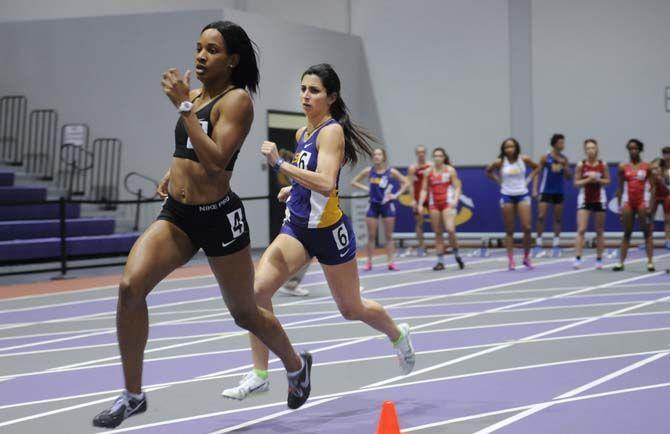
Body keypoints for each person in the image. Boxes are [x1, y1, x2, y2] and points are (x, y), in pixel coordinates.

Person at [92, 22, 311, 428]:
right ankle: (133, 394)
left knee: (245, 313)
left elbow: (214, 160)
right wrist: (169, 173)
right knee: (129, 289)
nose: (200, 56)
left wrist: (183, 107)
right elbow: (188, 148)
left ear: (232, 60)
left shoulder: (237, 102)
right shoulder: (194, 98)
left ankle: (296, 366)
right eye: (199, 48)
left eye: (211, 49)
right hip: (178, 215)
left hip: (217, 219)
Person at [222, 63, 415, 400]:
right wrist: (292, 189)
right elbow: (309, 178)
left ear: (331, 97)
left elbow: (326, 184)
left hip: (329, 231)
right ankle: (260, 373)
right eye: (303, 89)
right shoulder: (303, 134)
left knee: (350, 308)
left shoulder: (331, 132)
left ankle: (398, 334)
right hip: (297, 228)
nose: (306, 96)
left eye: (314, 90)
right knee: (255, 293)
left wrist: (281, 165)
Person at [351, 148, 410, 271]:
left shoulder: (391, 172)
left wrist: (396, 195)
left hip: (387, 206)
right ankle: (369, 262)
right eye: (374, 155)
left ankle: (391, 262)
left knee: (388, 236)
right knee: (371, 236)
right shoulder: (369, 171)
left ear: (384, 157)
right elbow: (354, 182)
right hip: (373, 205)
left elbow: (406, 183)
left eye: (379, 154)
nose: (376, 156)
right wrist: (367, 189)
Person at [485, 138, 539, 270]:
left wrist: (530, 181)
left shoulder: (524, 159)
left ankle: (526, 257)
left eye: (512, 147)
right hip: (507, 195)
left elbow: (537, 168)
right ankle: (510, 259)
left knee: (527, 227)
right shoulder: (500, 162)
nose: (509, 149)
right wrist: (498, 181)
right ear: (503, 149)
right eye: (507, 147)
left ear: (516, 148)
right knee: (509, 230)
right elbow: (488, 171)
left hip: (522, 194)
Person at [417, 147, 465, 271]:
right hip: (434, 205)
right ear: (433, 158)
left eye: (440, 156)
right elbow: (424, 189)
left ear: (444, 157)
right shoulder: (428, 172)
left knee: (450, 230)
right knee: (438, 233)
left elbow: (458, 186)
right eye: (435, 156)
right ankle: (440, 261)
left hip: (447, 203)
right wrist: (420, 204)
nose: (437, 158)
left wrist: (455, 199)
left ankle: (457, 254)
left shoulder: (450, 170)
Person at [613, 139, 655, 272]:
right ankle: (620, 262)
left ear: (640, 150)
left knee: (646, 233)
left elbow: (653, 188)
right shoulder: (623, 167)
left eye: (636, 148)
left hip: (642, 202)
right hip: (629, 203)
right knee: (627, 233)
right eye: (631, 148)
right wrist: (620, 207)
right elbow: (619, 188)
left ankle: (650, 262)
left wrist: (650, 206)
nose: (633, 151)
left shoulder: (647, 166)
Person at [532, 134, 571, 257]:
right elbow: (537, 173)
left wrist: (564, 166)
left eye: (563, 143)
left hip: (558, 191)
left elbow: (568, 177)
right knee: (541, 216)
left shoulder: (564, 159)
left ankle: (556, 244)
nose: (562, 145)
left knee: (557, 218)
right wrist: (534, 189)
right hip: (545, 191)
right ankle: (538, 244)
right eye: (560, 143)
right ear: (554, 144)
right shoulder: (545, 157)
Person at [573, 139, 610, 269]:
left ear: (597, 149)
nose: (590, 150)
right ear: (585, 150)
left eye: (593, 148)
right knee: (581, 229)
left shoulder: (602, 164)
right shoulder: (581, 165)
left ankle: (599, 259)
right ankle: (578, 258)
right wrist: (588, 179)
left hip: (599, 198)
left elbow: (607, 181)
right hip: (584, 198)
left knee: (599, 230)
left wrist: (598, 179)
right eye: (588, 148)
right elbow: (576, 183)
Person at [407, 145, 432, 256]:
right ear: (416, 154)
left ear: (425, 153)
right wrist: (413, 200)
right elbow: (411, 184)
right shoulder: (413, 168)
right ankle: (422, 246)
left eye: (422, 152)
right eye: (419, 152)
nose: (421, 154)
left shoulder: (431, 166)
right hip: (418, 198)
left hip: (431, 197)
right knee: (419, 223)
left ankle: (438, 245)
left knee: (437, 222)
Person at [649, 158, 670, 250]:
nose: (654, 170)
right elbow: (651, 190)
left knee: (667, 220)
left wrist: (662, 180)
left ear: (661, 168)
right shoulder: (652, 175)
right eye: (653, 168)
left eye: (656, 168)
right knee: (650, 219)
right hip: (656, 197)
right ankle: (648, 240)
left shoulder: (667, 174)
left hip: (666, 197)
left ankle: (668, 240)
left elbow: (668, 188)